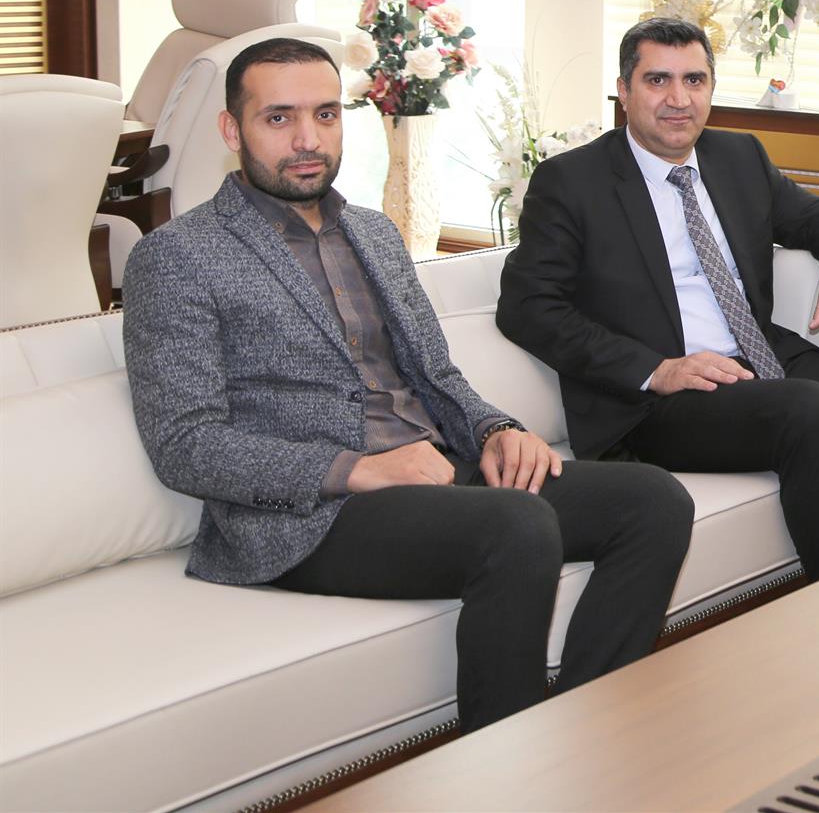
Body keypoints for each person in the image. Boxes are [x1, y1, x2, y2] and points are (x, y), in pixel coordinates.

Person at [123, 37, 692, 733]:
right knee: (516, 524)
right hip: (314, 515)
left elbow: (436, 375)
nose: (308, 139)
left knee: (653, 501)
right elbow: (185, 444)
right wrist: (358, 469)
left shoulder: (373, 232)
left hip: (432, 473)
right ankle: (507, 764)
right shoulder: (176, 257)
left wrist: (495, 429)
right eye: (278, 118)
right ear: (231, 129)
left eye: (325, 114)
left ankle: (584, 726)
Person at [496, 17, 819, 583]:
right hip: (661, 401)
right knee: (807, 407)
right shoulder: (572, 182)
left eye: (695, 80)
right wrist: (656, 369)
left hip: (762, 363)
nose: (679, 99)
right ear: (624, 90)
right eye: (658, 80)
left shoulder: (738, 157)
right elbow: (527, 306)